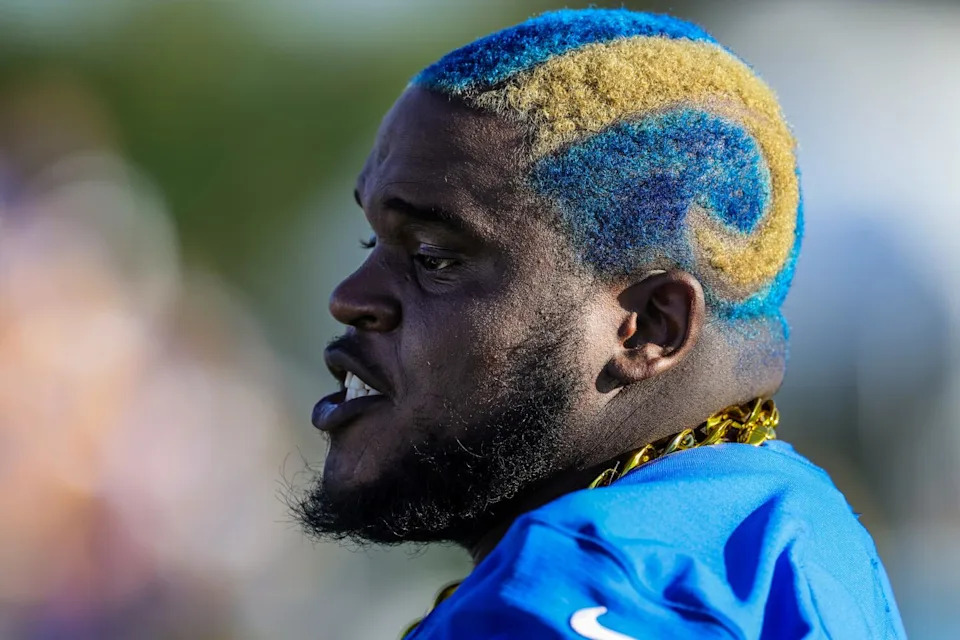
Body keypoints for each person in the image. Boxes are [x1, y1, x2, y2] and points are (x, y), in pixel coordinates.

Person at [299, 8, 906, 639]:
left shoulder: (564, 591)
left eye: (433, 258)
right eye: (373, 242)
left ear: (649, 326)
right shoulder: (802, 536)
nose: (349, 298)